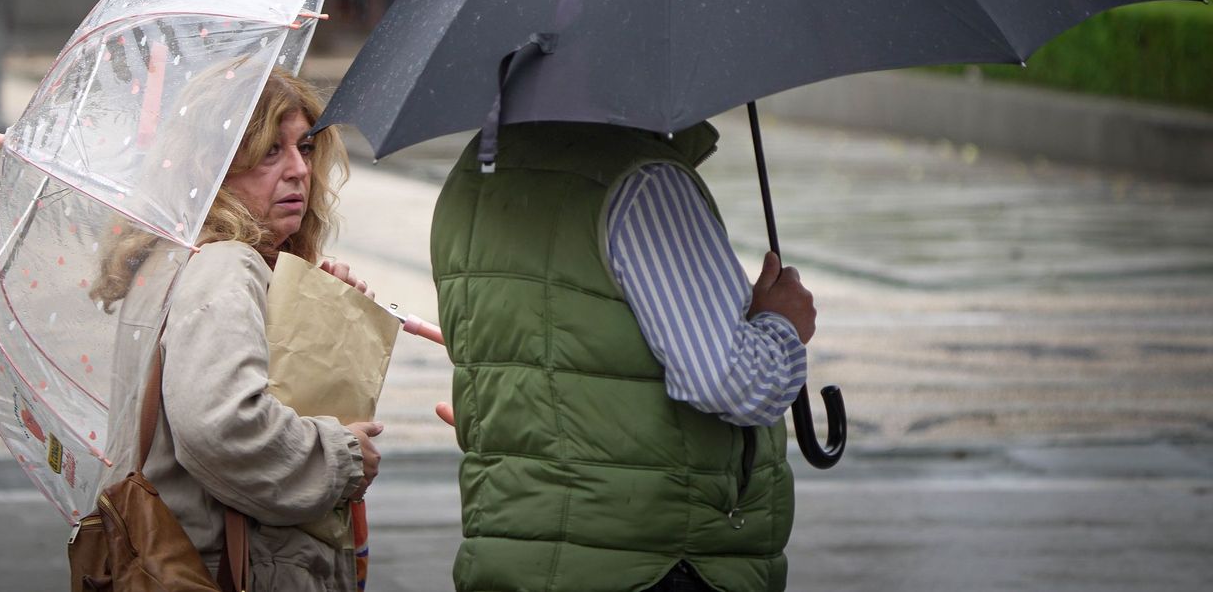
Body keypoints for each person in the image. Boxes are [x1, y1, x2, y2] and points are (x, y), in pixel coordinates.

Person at [431, 121, 816, 592]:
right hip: (655, 559)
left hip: (512, 551)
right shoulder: (646, 184)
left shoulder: (473, 176)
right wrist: (782, 324)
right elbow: (729, 381)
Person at [91, 68, 382, 592]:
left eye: (306, 148)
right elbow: (222, 428)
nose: (298, 170)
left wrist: (319, 316)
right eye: (271, 151)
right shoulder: (223, 267)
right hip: (226, 567)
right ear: (215, 166)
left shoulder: (176, 260)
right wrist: (340, 456)